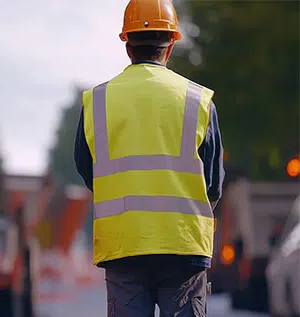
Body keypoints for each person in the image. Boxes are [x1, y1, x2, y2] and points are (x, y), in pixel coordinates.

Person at [73, 0, 225, 315]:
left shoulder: (97, 101)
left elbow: (89, 171)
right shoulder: (198, 101)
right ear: (171, 44)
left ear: (127, 44)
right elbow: (213, 185)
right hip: (183, 247)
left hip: (124, 245)